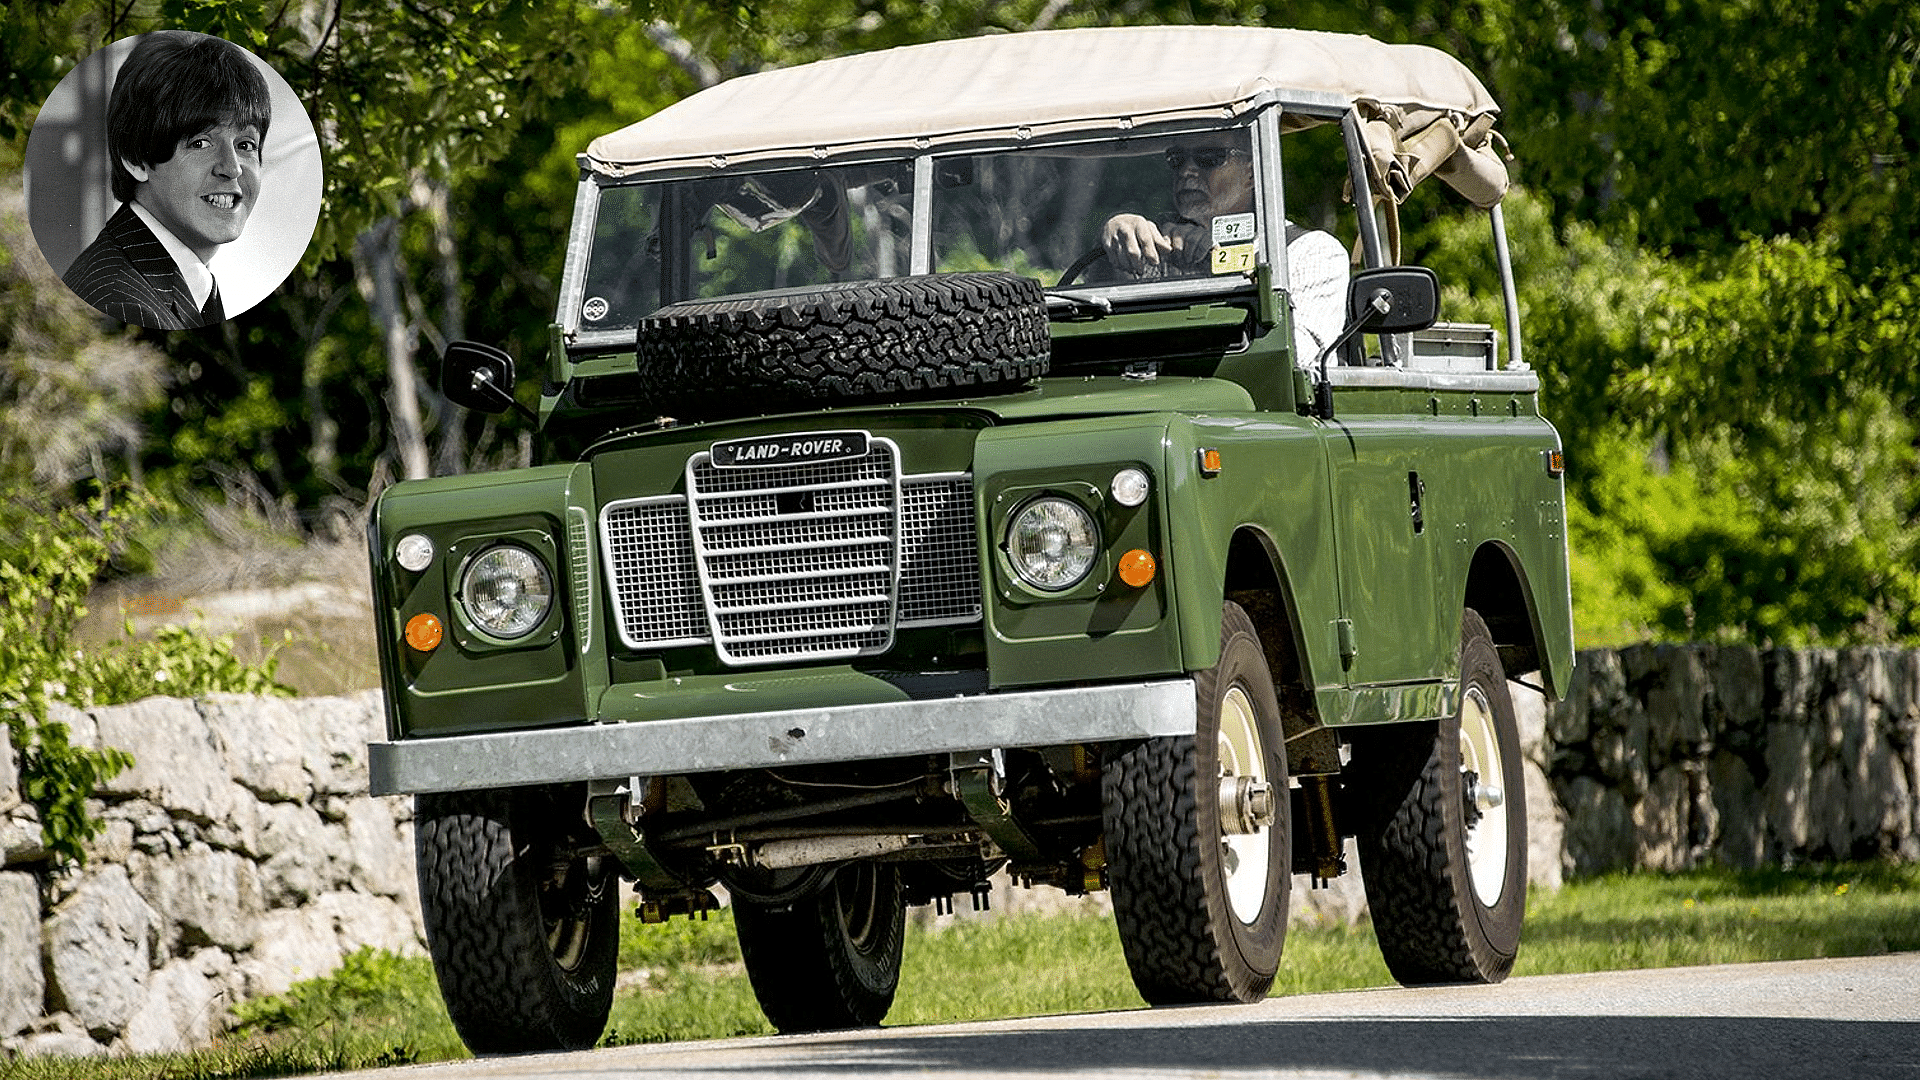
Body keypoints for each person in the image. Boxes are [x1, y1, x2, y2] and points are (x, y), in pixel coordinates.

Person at [61, 31, 271, 329]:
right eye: (200, 143)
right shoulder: (122, 303)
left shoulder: (175, 282)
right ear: (136, 159)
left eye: (246, 145)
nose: (233, 168)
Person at [1100, 137, 1349, 365]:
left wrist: (1218, 265)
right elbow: (1108, 338)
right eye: (1176, 159)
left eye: (1209, 157)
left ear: (1251, 172)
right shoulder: (1159, 248)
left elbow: (1290, 355)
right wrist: (1120, 240)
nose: (1186, 171)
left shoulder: (1311, 251)